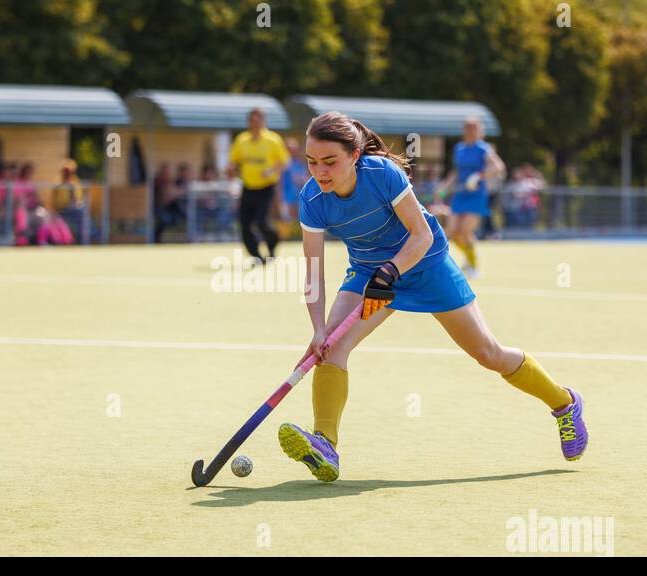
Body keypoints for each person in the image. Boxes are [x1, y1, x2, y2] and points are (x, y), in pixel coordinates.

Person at [277, 111, 588, 483]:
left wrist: (391, 272)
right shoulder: (312, 197)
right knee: (332, 346)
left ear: (354, 156)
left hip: (426, 265)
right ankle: (325, 444)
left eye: (330, 162)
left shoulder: (381, 175)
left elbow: (421, 235)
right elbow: (313, 271)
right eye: (312, 162)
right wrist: (316, 329)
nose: (320, 172)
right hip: (367, 273)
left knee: (488, 354)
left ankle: (564, 404)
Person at [438, 118, 505, 279]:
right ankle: (469, 257)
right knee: (453, 233)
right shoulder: (459, 149)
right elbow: (456, 172)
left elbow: (498, 167)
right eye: (468, 127)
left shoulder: (484, 148)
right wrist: (443, 188)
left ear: (480, 130)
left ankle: (473, 265)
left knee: (466, 231)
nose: (471, 130)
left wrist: (478, 176)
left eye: (474, 127)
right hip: (460, 195)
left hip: (476, 195)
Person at [229, 107, 289, 263]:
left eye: (258, 120)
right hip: (248, 187)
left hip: (266, 187)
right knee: (244, 224)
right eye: (252, 120)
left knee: (262, 222)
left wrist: (272, 170)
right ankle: (256, 256)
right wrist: (231, 170)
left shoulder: (273, 140)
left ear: (263, 121)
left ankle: (273, 242)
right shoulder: (241, 140)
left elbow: (284, 162)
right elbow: (233, 162)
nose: (255, 123)